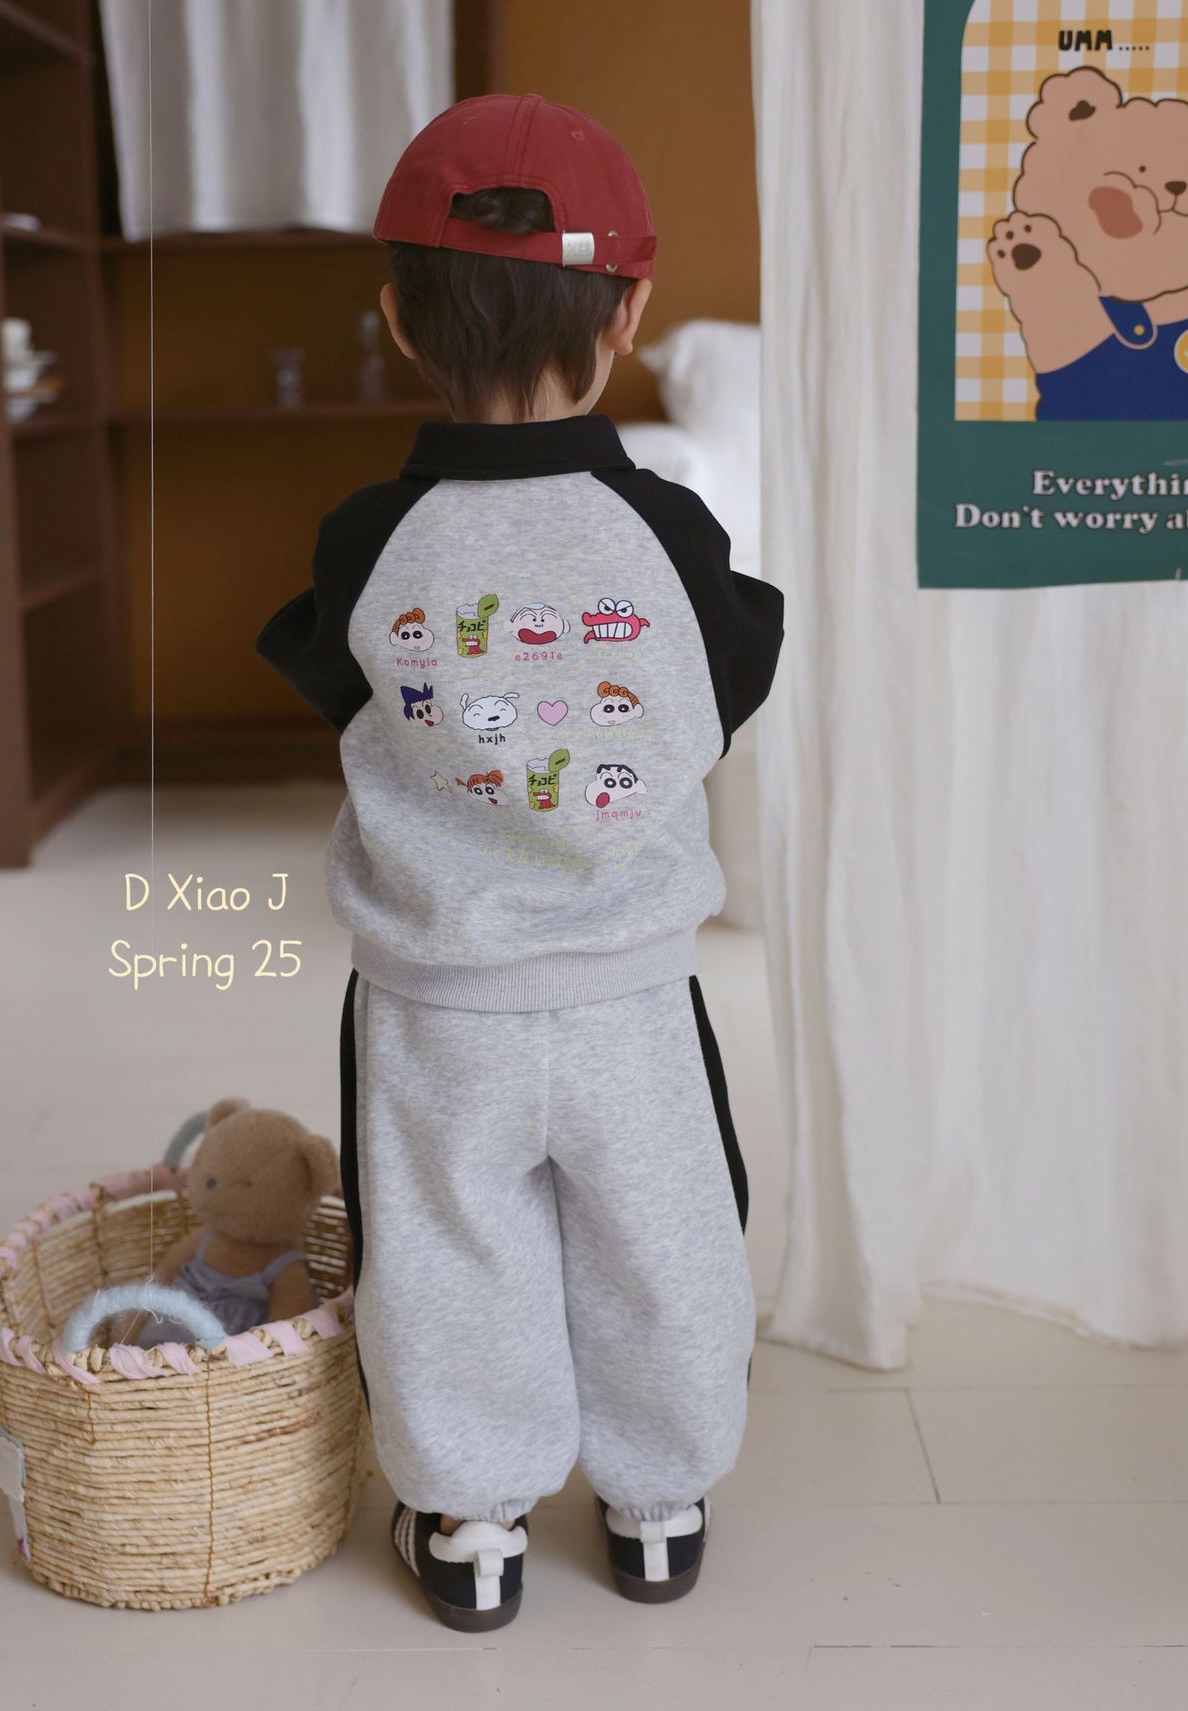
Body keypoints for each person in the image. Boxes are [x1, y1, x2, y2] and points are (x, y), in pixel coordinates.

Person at [258, 93, 784, 1632]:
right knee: (665, 1241)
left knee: (442, 1252)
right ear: (629, 312)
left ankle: (472, 1523)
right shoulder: (669, 530)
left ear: (398, 319)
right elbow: (734, 681)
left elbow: (335, 684)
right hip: (631, 990)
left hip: (437, 1001)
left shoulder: (367, 538)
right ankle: (659, 1506)